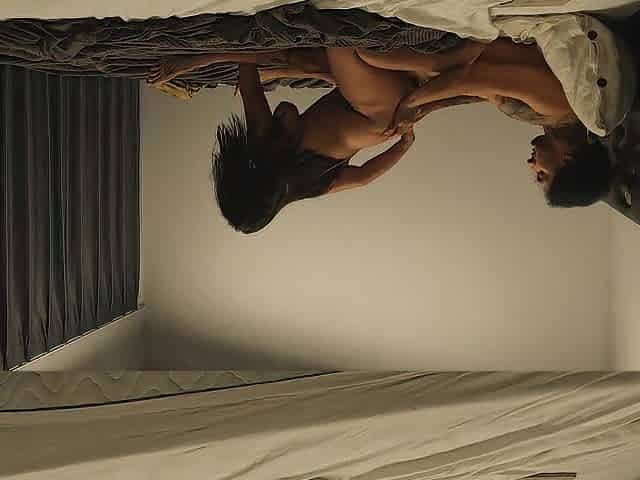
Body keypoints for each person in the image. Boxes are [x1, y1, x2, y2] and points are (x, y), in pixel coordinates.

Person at [148, 39, 613, 233]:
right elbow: (473, 83)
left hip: (373, 114)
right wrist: (413, 114)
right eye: (541, 175)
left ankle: (424, 68)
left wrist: (407, 132)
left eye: (538, 177)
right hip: (373, 111)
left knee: (312, 60)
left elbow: (247, 70)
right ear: (568, 160)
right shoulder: (559, 109)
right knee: (338, 44)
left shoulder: (296, 175)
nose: (532, 168)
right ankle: (431, 62)